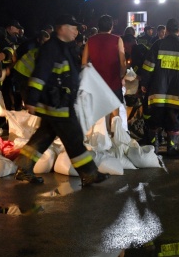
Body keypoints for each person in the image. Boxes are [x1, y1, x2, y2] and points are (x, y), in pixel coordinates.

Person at [14, 14, 109, 187]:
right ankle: (89, 173)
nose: (76, 31)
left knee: (44, 135)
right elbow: (39, 75)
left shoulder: (66, 47)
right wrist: (32, 100)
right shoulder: (51, 48)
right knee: (73, 137)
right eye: (73, 28)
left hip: (60, 101)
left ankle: (24, 168)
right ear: (62, 28)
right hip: (55, 103)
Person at [139, 18, 179, 157]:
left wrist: (144, 84)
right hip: (178, 94)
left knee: (154, 120)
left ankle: (153, 147)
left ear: (167, 30)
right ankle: (172, 148)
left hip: (158, 92)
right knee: (174, 121)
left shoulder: (158, 45)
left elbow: (148, 67)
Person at [80, 14, 126, 133]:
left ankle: (100, 137)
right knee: (115, 113)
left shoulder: (90, 40)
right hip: (113, 81)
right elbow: (122, 61)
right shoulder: (117, 39)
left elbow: (84, 63)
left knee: (98, 114)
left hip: (96, 83)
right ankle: (116, 137)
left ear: (98, 26)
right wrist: (122, 75)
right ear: (111, 26)